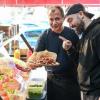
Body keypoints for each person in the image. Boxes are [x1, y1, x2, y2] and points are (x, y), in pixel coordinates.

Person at [28, 6, 81, 100]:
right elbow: (35, 57)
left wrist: (70, 48)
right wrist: (32, 64)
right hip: (52, 81)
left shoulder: (72, 34)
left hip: (70, 81)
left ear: (63, 18)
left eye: (57, 19)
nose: (54, 23)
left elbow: (80, 57)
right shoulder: (44, 36)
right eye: (51, 19)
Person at [65, 3, 100, 100]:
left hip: (95, 92)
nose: (70, 25)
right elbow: (80, 60)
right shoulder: (84, 35)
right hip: (86, 91)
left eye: (70, 20)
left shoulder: (97, 32)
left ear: (81, 14)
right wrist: (70, 49)